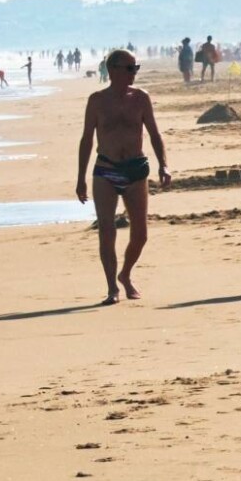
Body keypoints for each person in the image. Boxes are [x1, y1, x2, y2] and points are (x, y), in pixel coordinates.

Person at [75, 50, 171, 304]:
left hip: (135, 169)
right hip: (106, 169)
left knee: (140, 234)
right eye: (130, 68)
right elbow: (87, 140)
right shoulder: (96, 101)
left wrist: (164, 165)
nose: (134, 72)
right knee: (106, 230)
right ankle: (112, 288)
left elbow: (154, 133)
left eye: (135, 68)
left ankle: (125, 274)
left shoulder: (141, 98)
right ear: (113, 69)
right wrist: (80, 178)